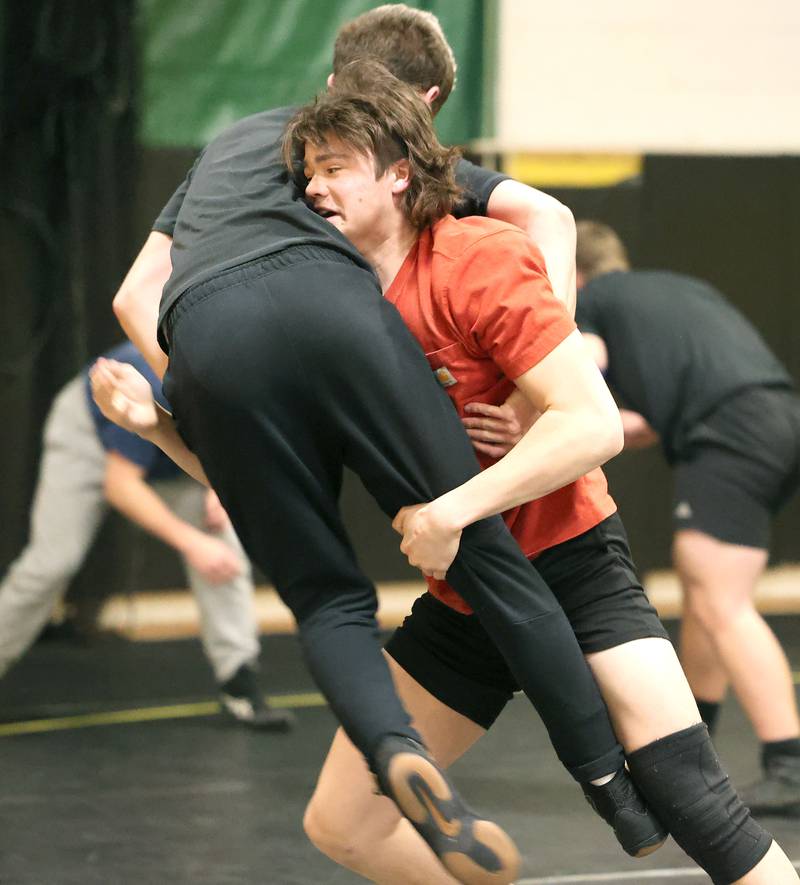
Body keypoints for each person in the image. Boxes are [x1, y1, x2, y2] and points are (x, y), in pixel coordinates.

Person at [91, 10, 665, 882]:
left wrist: (220, 405)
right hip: (346, 319)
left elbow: (137, 299)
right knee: (484, 550)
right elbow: (545, 211)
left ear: (331, 75)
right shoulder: (387, 147)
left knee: (327, 601)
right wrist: (532, 367)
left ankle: (395, 749)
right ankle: (611, 790)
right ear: (424, 104)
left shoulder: (247, 136)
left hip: (210, 341)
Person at [277, 65, 798, 885]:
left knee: (695, 801)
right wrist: (156, 426)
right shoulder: (332, 300)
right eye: (307, 171)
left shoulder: (475, 257)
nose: (313, 188)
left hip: (572, 563)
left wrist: (452, 510)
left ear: (399, 172)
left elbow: (592, 425)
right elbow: (279, 459)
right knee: (342, 822)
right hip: (465, 599)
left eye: (334, 166)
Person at [570, 220, 800, 818]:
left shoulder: (592, 300)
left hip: (728, 431)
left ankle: (791, 764)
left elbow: (581, 370)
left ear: (574, 274)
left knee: (720, 600)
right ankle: (695, 748)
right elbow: (639, 423)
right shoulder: (676, 290)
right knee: (704, 592)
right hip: (775, 418)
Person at [0, 341, 294, 731]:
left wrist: (222, 489)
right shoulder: (150, 380)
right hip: (92, 432)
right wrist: (191, 543)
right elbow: (121, 485)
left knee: (223, 544)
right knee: (52, 563)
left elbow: (238, 442)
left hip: (169, 449)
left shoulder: (248, 381)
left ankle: (239, 680)